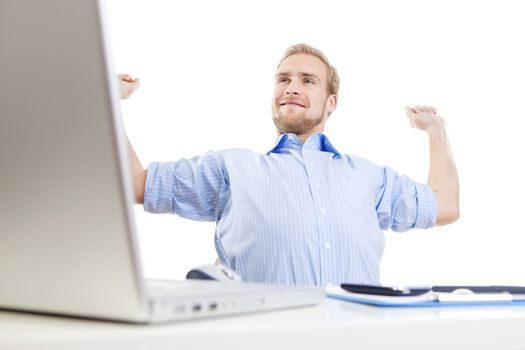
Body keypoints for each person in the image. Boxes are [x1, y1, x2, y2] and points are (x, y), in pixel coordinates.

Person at [120, 44, 459, 287]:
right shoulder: (234, 168)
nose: (292, 88)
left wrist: (436, 131)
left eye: (307, 81)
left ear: (331, 102)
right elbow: (137, 183)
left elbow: (445, 206)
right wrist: (107, 100)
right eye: (283, 80)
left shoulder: (368, 176)